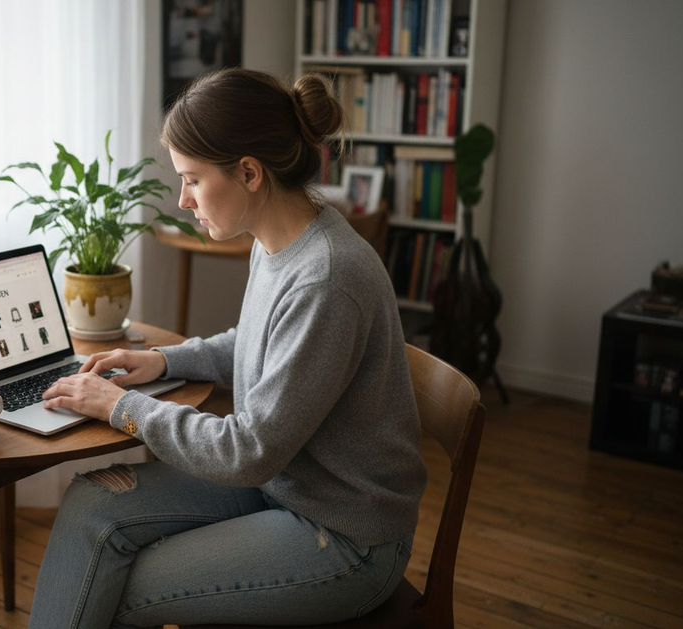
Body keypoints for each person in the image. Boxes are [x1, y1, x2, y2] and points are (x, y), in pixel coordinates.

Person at [33, 68, 427, 628]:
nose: (183, 199)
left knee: (113, 582)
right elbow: (260, 342)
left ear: (248, 173)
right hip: (282, 487)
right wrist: (167, 360)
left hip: (342, 537)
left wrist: (120, 407)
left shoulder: (326, 278)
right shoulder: (280, 242)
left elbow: (249, 450)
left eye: (192, 179)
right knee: (89, 506)